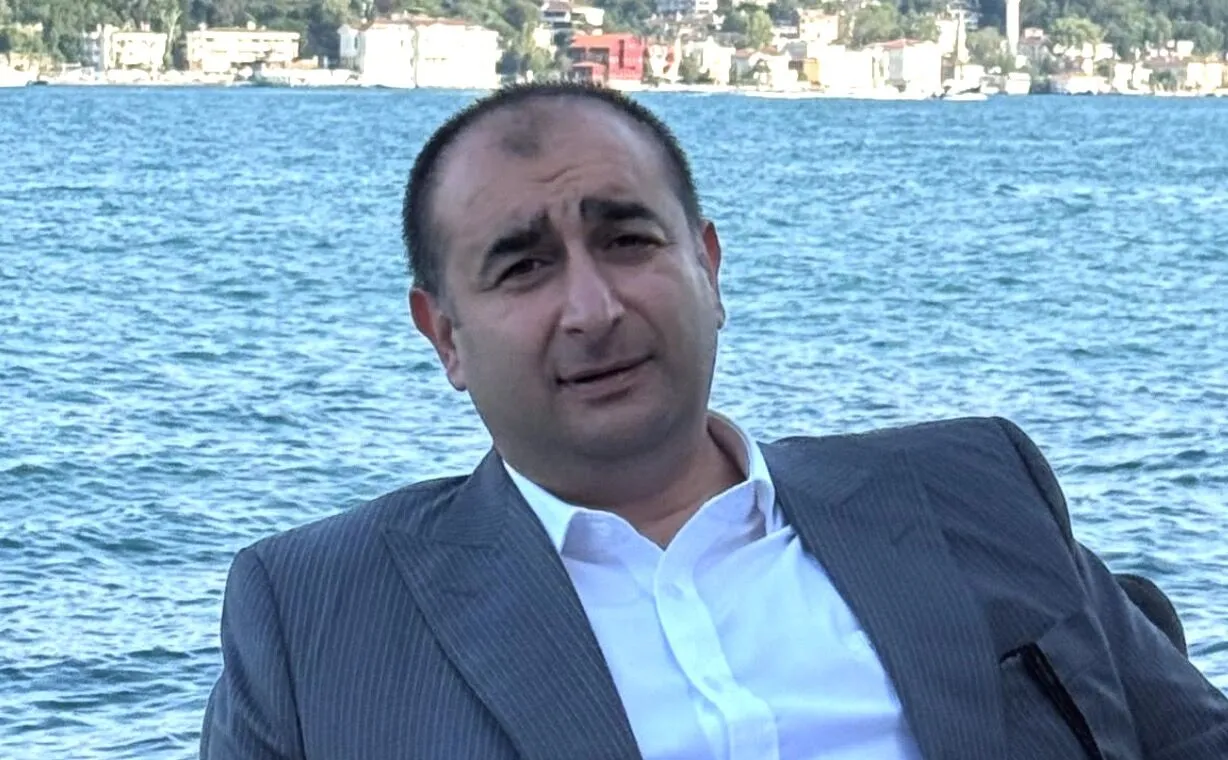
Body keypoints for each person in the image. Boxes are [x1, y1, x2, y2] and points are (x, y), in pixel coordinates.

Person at [200, 82, 1228, 760]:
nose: (592, 308)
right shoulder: (319, 618)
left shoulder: (972, 487)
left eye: (628, 241)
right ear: (446, 338)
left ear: (709, 268)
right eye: (523, 267)